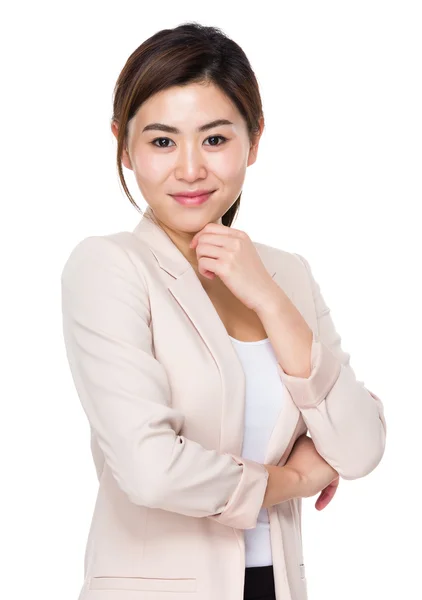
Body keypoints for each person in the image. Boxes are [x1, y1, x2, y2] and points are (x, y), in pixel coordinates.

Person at [60, 22, 387, 600]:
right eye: (162, 142)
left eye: (215, 139)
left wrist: (266, 296)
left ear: (253, 140)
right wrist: (295, 479)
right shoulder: (109, 267)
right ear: (124, 146)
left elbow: (359, 447)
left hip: (275, 585)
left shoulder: (286, 273)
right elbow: (151, 468)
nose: (190, 169)